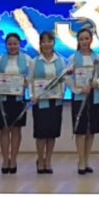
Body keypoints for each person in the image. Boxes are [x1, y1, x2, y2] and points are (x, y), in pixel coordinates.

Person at [67, 27, 99, 175]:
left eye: (87, 38)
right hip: (79, 98)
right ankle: (81, 161)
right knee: (81, 130)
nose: (84, 41)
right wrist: (77, 89)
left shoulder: (97, 57)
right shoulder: (73, 58)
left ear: (91, 40)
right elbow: (67, 77)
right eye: (81, 39)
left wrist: (97, 83)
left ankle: (87, 159)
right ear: (78, 41)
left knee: (91, 130)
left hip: (94, 96)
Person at [0, 33, 31, 175]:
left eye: (15, 44)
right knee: (4, 130)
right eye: (9, 44)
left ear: (19, 44)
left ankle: (13, 159)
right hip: (3, 100)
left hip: (18, 100)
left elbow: (31, 78)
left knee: (16, 130)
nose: (12, 46)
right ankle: (5, 160)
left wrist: (25, 83)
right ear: (6, 45)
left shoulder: (27, 60)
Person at [29, 31, 67, 174]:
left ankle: (48, 160)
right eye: (43, 41)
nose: (46, 44)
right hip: (40, 102)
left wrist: (62, 93)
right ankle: (40, 159)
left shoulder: (60, 61)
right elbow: (30, 80)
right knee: (41, 133)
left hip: (55, 102)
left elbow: (63, 80)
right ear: (40, 43)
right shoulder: (34, 62)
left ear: (53, 43)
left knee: (52, 133)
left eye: (49, 41)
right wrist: (32, 95)